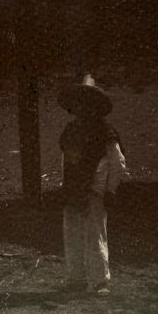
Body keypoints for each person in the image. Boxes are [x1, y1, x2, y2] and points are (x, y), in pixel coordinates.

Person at [58, 74, 126, 295]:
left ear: (95, 107)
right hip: (73, 189)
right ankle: (75, 278)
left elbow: (117, 162)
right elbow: (65, 161)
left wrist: (111, 189)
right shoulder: (70, 131)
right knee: (73, 234)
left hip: (94, 189)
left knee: (95, 235)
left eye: (87, 103)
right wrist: (64, 186)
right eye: (78, 103)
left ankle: (99, 281)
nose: (81, 108)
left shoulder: (105, 131)